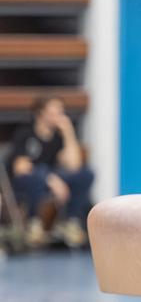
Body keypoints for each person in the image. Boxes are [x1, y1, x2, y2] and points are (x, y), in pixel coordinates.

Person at [6, 96, 94, 248]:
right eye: (55, 111)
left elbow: (74, 165)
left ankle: (71, 223)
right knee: (35, 178)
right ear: (41, 113)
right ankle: (35, 225)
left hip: (53, 182)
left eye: (61, 111)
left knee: (85, 175)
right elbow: (21, 167)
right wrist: (50, 179)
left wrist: (68, 133)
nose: (59, 115)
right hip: (28, 183)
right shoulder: (26, 133)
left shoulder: (58, 137)